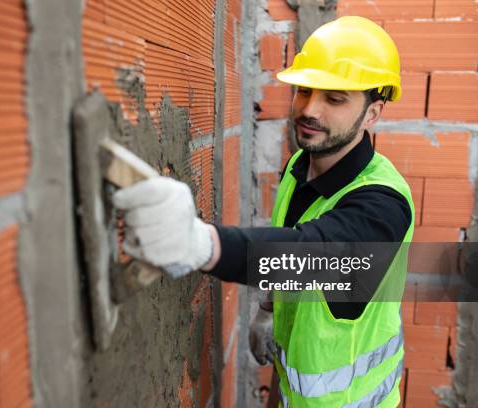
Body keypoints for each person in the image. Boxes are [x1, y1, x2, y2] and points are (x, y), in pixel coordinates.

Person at [113, 16, 414, 408]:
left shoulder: (384, 204)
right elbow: (289, 245)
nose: (309, 110)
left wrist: (201, 243)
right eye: (304, 90)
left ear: (372, 114)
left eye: (334, 99)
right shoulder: (300, 166)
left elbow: (313, 254)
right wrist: (269, 310)